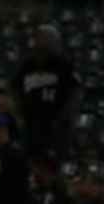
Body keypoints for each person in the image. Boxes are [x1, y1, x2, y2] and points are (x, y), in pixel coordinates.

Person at [16, 25, 82, 158]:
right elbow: (14, 89)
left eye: (43, 38)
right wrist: (20, 114)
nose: (39, 41)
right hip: (32, 125)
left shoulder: (64, 65)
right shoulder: (27, 66)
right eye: (37, 38)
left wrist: (65, 117)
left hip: (57, 125)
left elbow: (75, 93)